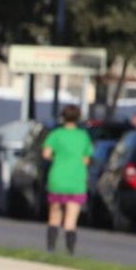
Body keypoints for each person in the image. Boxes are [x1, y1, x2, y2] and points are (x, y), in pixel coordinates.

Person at [42, 103, 93, 255]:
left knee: (54, 215)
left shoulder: (56, 134)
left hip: (58, 177)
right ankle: (70, 252)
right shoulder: (83, 136)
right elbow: (86, 159)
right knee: (71, 220)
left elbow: (46, 154)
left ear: (63, 117)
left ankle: (51, 249)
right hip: (76, 180)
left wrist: (57, 159)